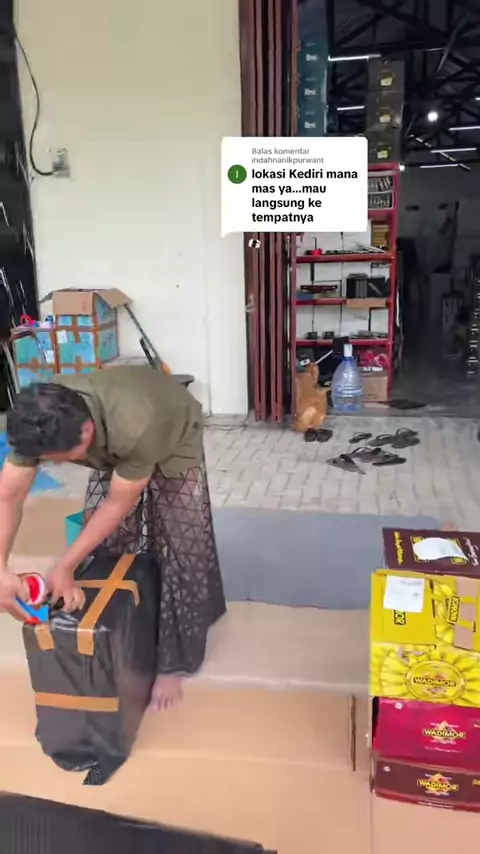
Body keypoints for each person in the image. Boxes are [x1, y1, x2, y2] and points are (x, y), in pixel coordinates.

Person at [0, 366, 226, 711]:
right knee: (110, 545)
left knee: (182, 540)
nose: (57, 465)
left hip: (173, 429)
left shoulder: (136, 425)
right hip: (117, 435)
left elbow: (120, 503)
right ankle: (119, 634)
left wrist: (65, 565)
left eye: (63, 459)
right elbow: (9, 495)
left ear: (87, 431)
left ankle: (174, 663)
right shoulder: (35, 420)